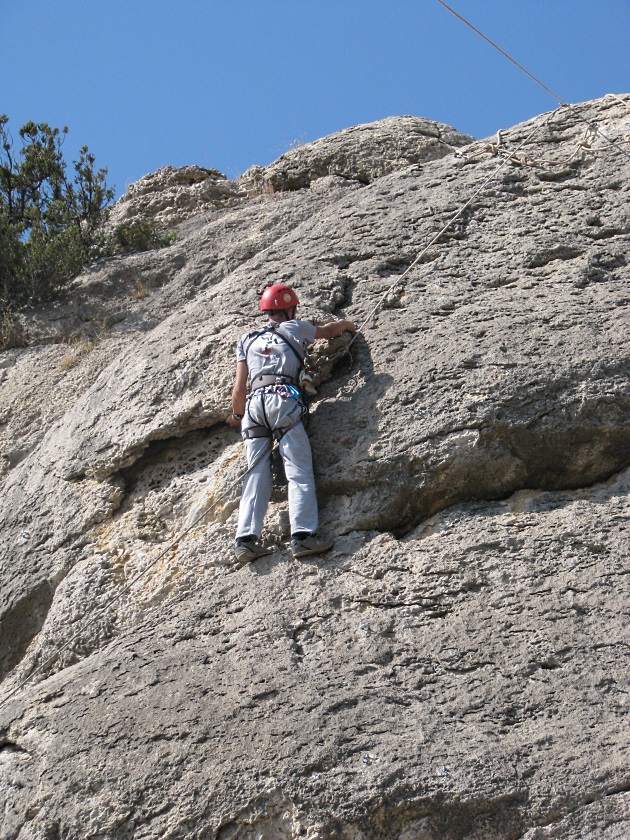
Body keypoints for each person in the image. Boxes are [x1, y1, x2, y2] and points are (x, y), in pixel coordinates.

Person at [227, 283, 356, 563]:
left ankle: (245, 540)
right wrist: (345, 324)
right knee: (297, 468)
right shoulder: (294, 327)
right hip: (282, 398)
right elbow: (327, 332)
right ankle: (302, 536)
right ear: (289, 309)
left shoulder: (247, 339)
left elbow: (238, 390)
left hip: (254, 406)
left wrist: (237, 416)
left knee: (255, 473)